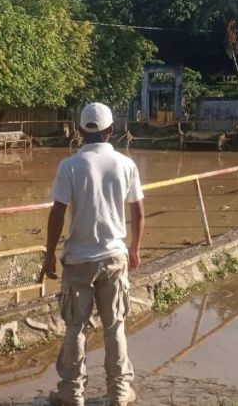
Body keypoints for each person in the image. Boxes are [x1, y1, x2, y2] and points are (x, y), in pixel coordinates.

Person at [42, 102, 145, 406]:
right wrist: (135, 249)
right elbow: (138, 213)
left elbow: (57, 214)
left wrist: (49, 256)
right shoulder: (126, 165)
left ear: (78, 131)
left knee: (76, 327)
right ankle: (120, 393)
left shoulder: (70, 166)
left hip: (78, 262)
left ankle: (72, 395)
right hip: (114, 259)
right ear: (112, 131)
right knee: (115, 327)